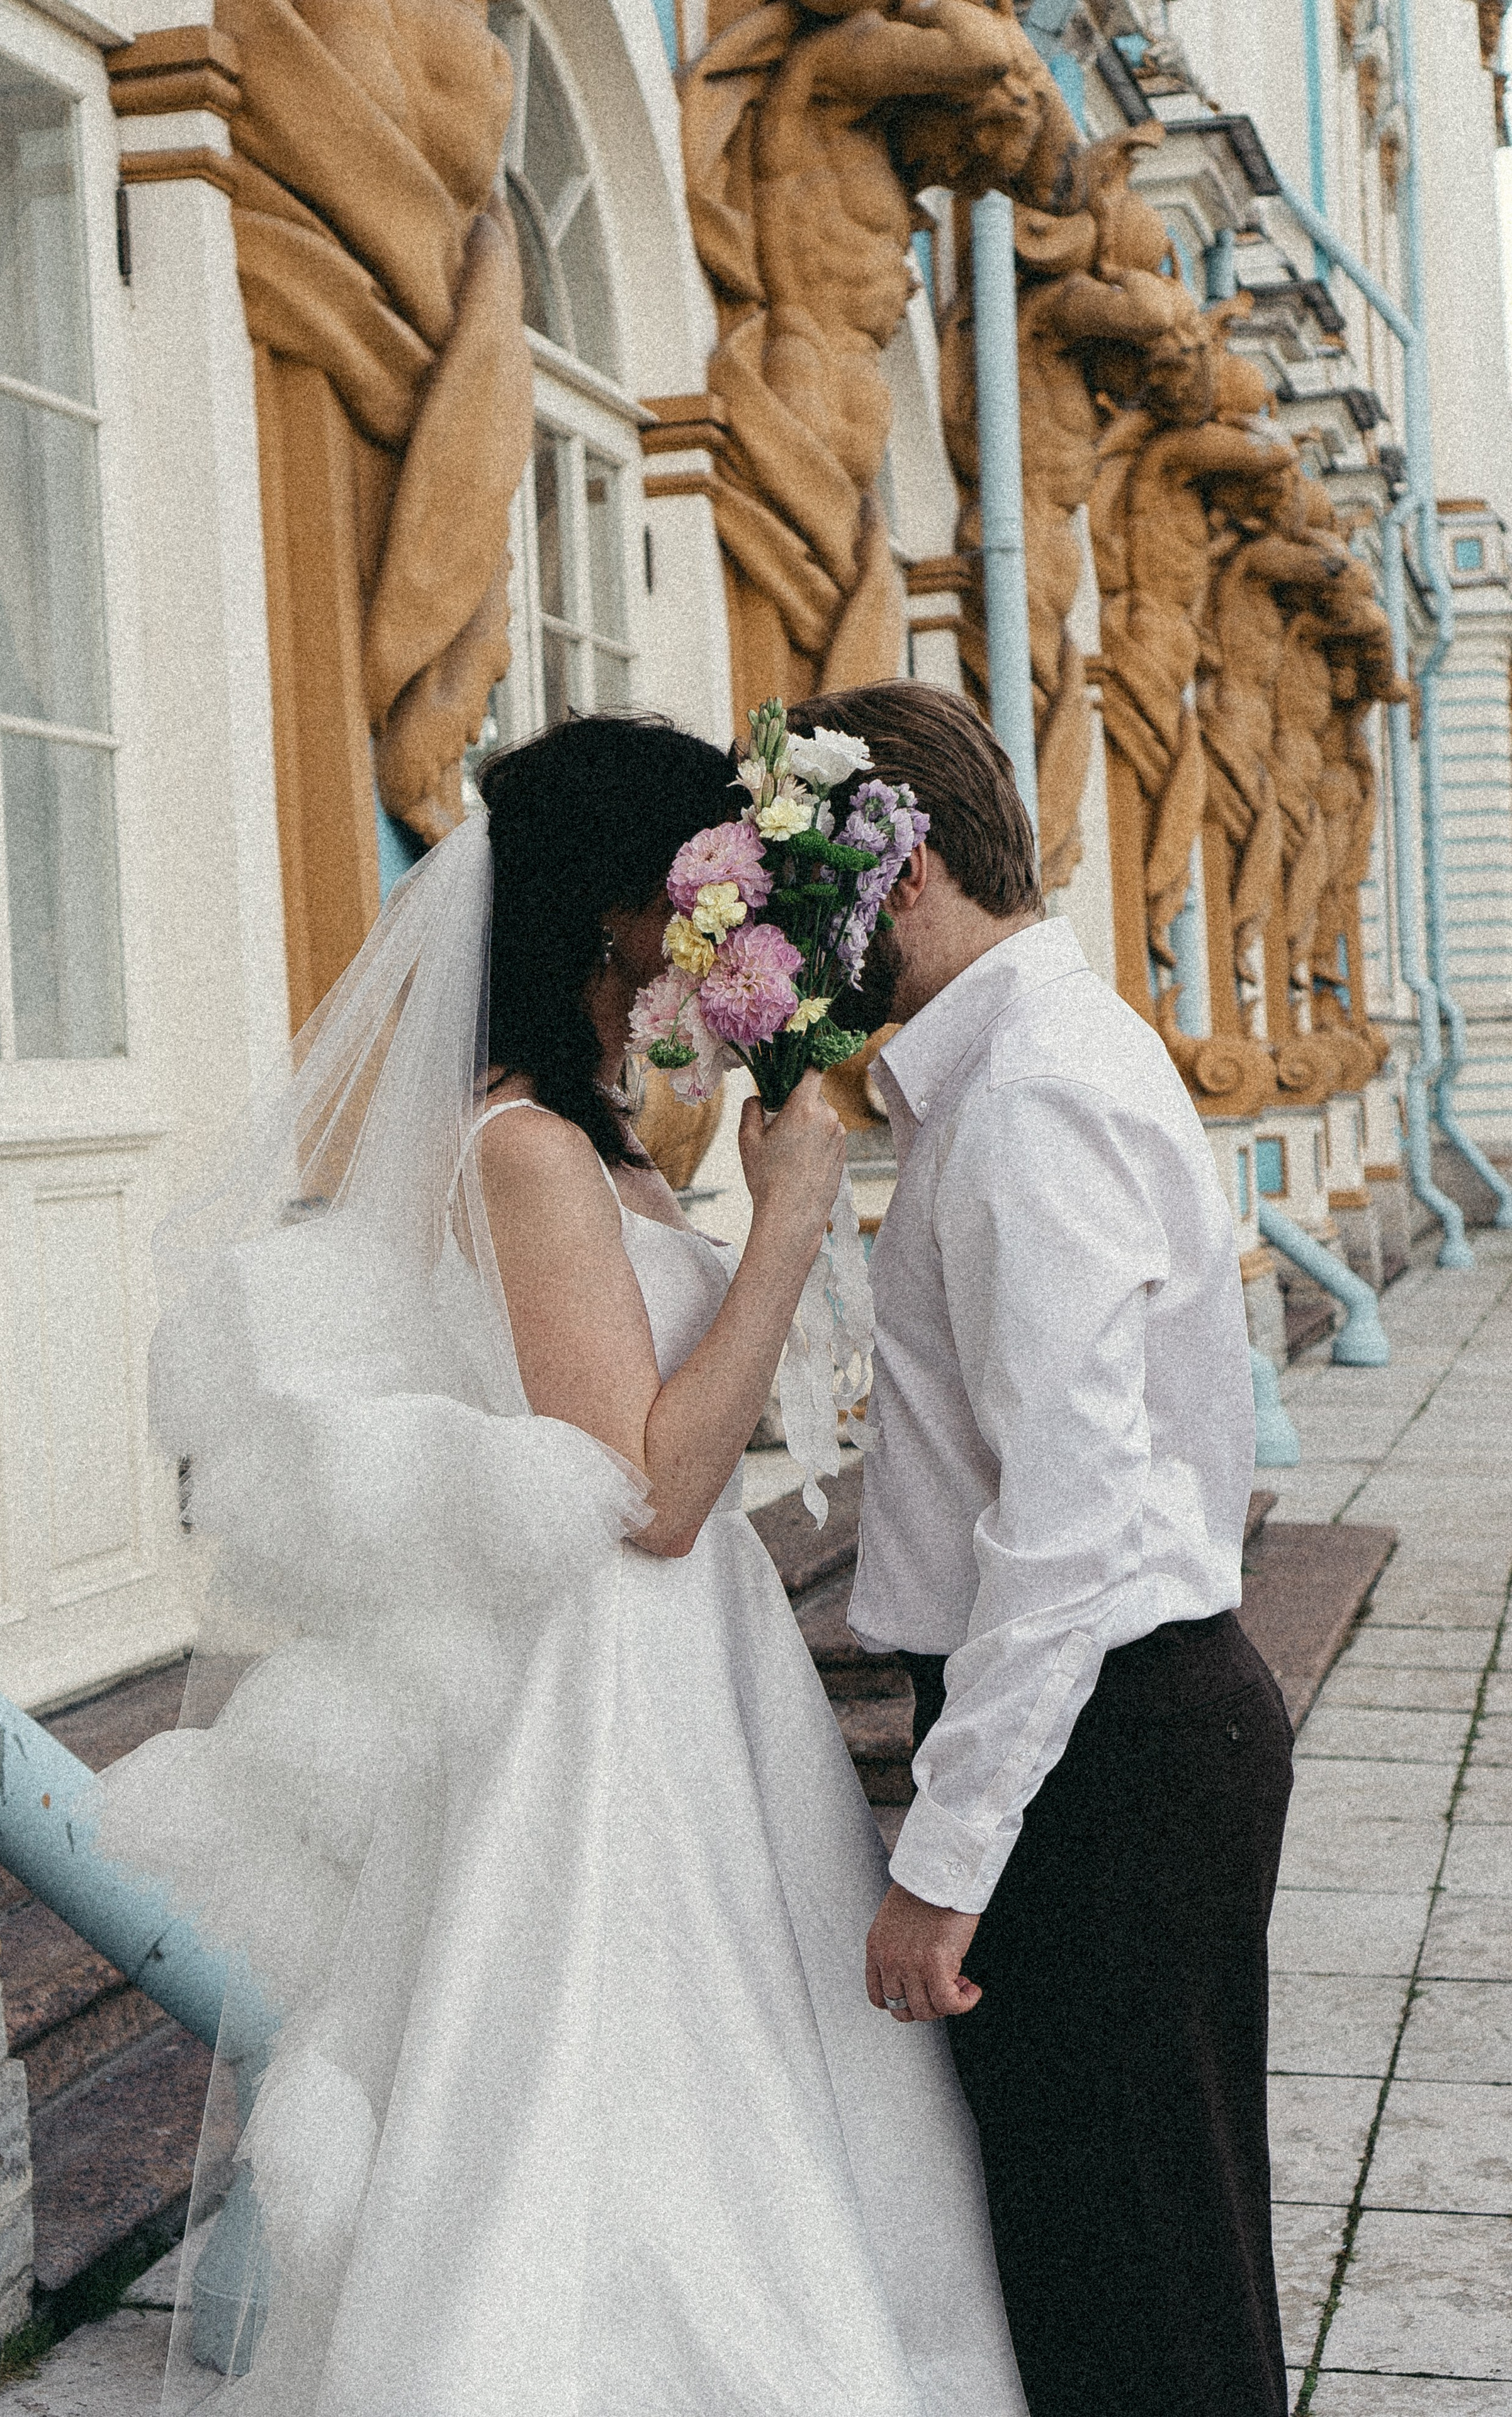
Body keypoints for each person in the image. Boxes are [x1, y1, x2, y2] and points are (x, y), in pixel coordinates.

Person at [96, 713, 1029, 2416]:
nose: (726, 934)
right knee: (605, 2083)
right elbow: (645, 1493)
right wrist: (795, 1223)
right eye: (708, 891)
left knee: (733, 2069)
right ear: (618, 915)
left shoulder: (595, 1146)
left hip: (688, 1671)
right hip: (608, 1689)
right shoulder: (524, 1151)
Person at [786, 680, 1295, 2417]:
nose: (791, 944)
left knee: (1139, 2287)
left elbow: (1067, 1524)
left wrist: (949, 1854)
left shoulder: (1025, 1101)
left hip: (1108, 1750)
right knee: (1139, 2270)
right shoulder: (1022, 1068)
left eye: (807, 894)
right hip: (1124, 1730)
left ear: (904, 868)